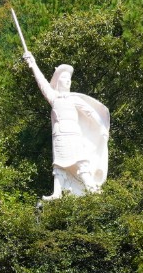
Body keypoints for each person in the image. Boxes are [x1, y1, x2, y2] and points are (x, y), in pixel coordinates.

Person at [21, 52, 110, 200]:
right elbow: (42, 82)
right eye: (64, 78)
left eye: (69, 79)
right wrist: (33, 64)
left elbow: (90, 112)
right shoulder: (53, 97)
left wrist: (101, 127)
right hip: (59, 134)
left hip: (73, 133)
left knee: (81, 160)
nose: (67, 81)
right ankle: (57, 192)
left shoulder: (74, 98)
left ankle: (90, 187)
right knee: (59, 164)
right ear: (58, 81)